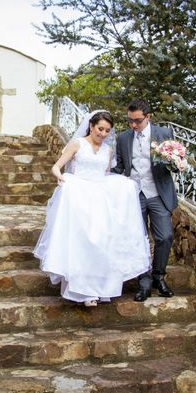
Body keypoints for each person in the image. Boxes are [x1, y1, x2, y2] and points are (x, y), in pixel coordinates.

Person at [34, 110, 151, 307]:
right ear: (91, 126)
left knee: (101, 241)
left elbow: (105, 175)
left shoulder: (108, 150)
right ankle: (82, 289)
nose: (103, 134)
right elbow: (56, 166)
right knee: (83, 241)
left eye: (107, 130)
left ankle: (98, 288)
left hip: (99, 198)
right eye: (100, 129)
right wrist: (60, 177)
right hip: (79, 195)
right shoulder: (77, 144)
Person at [113, 99, 178, 302]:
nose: (133, 125)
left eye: (137, 121)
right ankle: (144, 283)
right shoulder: (123, 138)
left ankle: (159, 277)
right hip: (134, 195)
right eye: (130, 121)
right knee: (138, 240)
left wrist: (177, 163)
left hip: (158, 193)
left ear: (148, 117)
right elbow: (120, 167)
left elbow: (174, 162)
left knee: (165, 237)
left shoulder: (164, 134)